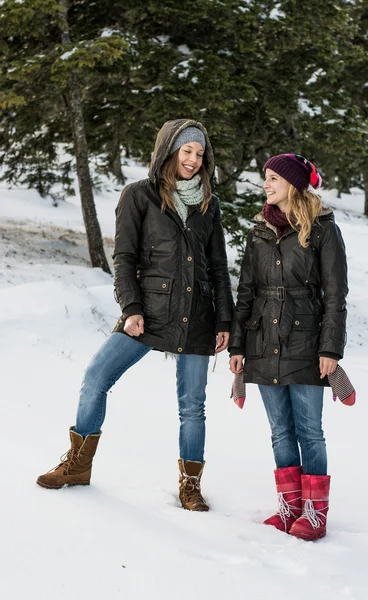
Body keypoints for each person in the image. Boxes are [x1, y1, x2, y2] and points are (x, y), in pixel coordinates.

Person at [37, 119, 234, 512]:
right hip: (148, 313)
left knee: (193, 404)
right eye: (186, 152)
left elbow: (218, 268)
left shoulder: (208, 206)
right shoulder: (139, 196)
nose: (193, 160)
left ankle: (190, 485)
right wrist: (131, 308)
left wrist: (225, 321)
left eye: (199, 153)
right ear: (169, 151)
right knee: (96, 376)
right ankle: (78, 465)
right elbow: (124, 258)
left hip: (197, 317)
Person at [229, 154, 348, 540]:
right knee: (280, 431)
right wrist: (237, 345)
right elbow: (246, 291)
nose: (266, 184)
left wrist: (330, 348)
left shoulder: (323, 228)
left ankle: (315, 513)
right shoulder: (259, 230)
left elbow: (335, 294)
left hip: (307, 341)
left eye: (274, 177)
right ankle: (289, 506)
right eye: (265, 177)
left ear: (294, 183)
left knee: (309, 430)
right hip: (264, 340)